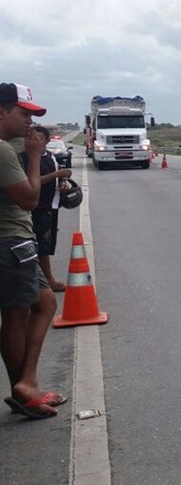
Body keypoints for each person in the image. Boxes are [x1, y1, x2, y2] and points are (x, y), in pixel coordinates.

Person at [0, 83, 63, 418]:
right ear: (2, 111)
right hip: (10, 240)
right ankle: (25, 389)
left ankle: (26, 385)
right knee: (15, 313)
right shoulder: (2, 150)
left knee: (45, 301)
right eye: (23, 113)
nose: (30, 122)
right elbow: (28, 199)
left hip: (15, 241)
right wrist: (36, 158)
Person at [19, 126, 72, 292]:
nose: (35, 142)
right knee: (38, 246)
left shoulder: (50, 157)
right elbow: (30, 182)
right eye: (31, 138)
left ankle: (43, 279)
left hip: (50, 205)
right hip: (34, 207)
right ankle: (46, 280)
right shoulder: (24, 158)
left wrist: (62, 183)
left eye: (39, 139)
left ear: (47, 141)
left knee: (46, 244)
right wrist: (56, 176)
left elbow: (59, 177)